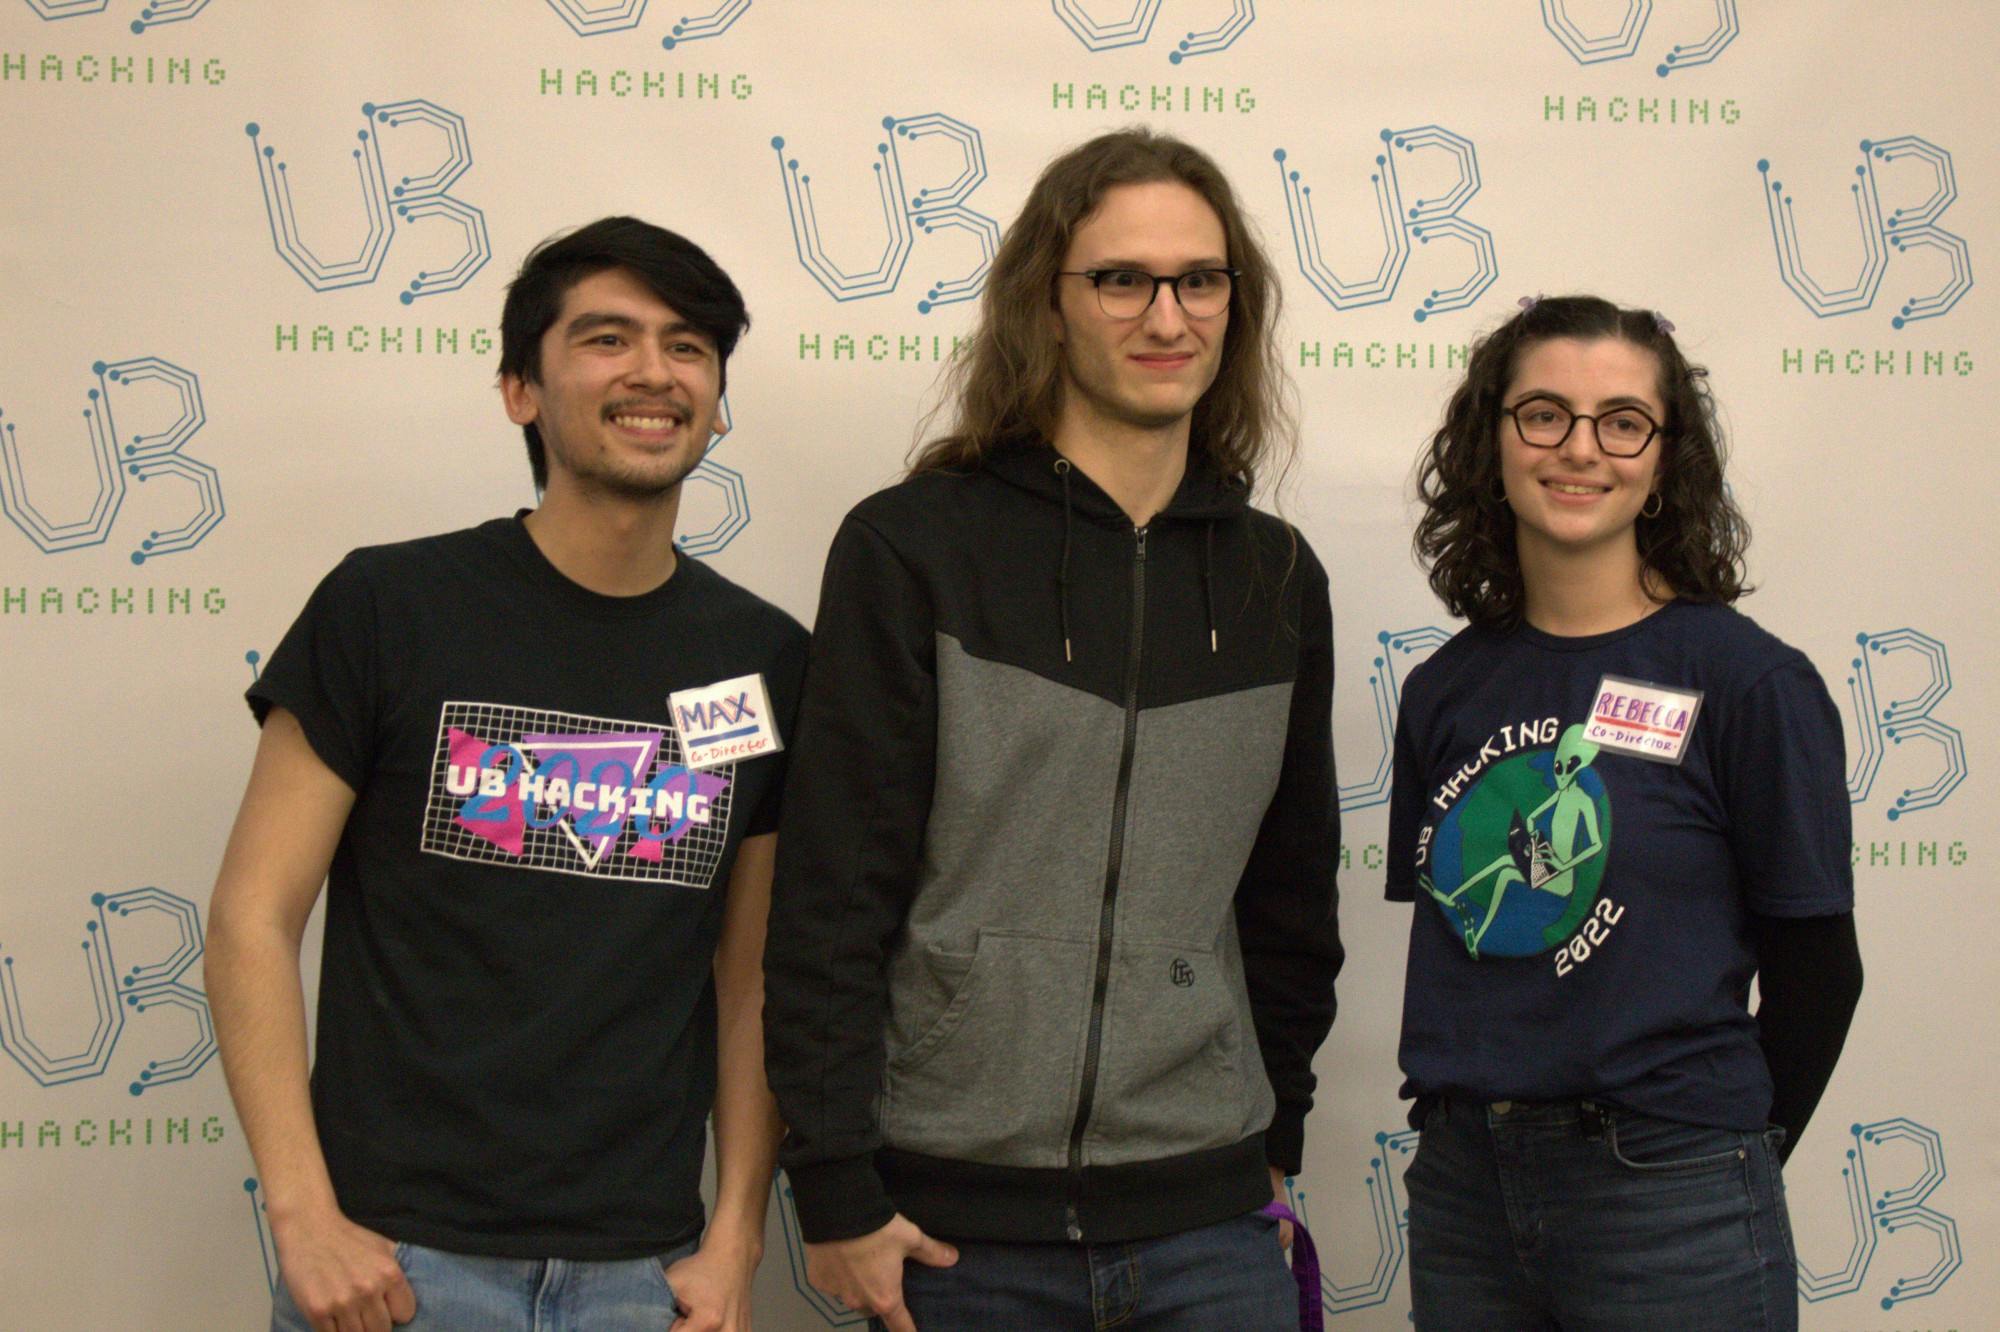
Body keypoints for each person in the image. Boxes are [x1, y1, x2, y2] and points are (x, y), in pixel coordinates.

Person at [763, 129, 1343, 1332]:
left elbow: (1290, 902)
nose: (1165, 315)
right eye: (1120, 279)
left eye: (1199, 279)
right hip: (956, 1239)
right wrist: (829, 1185)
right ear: (1048, 301)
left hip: (1206, 1222)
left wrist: (1273, 1122)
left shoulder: (1274, 578)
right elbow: (831, 898)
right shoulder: (913, 547)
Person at [206, 216, 807, 1332]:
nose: (650, 373)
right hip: (396, 1271)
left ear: (717, 402)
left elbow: (751, 982)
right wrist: (303, 1218)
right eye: (604, 339)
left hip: (644, 1279)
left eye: (686, 347)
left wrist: (734, 1241)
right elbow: (252, 913)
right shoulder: (389, 609)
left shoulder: (761, 662)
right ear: (519, 390)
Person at [1387, 294, 1863, 1329]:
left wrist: (1716, 1148)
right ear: (1493, 440)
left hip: (1668, 1193)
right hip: (1461, 1191)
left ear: (1660, 459)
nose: (1579, 449)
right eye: (1542, 414)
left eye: (1619, 422)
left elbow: (1818, 966)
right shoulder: (1443, 692)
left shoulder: (1747, 684)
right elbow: (1463, 934)